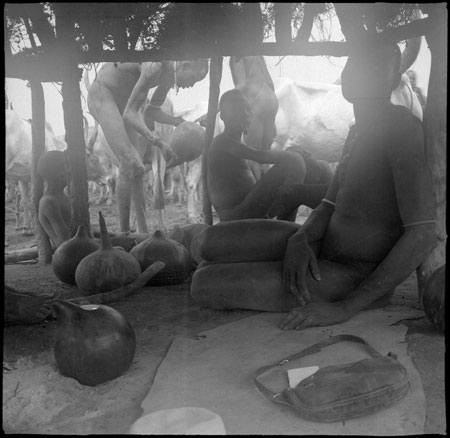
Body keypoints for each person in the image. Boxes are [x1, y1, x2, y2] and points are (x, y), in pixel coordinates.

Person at [193, 38, 437, 330]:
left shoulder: (401, 128)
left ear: (394, 80)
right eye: (353, 62)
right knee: (209, 242)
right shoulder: (357, 130)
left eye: (371, 66)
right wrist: (302, 238)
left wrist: (345, 308)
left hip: (351, 274)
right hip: (319, 246)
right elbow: (328, 205)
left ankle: (338, 289)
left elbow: (423, 233)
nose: (354, 71)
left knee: (204, 283)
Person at [87, 60, 209, 234]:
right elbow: (131, 114)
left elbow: (150, 111)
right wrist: (158, 142)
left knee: (134, 170)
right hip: (103, 95)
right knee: (132, 163)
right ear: (185, 66)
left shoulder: (167, 79)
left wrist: (174, 120)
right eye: (194, 79)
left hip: (123, 105)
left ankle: (140, 233)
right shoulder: (155, 67)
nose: (191, 85)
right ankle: (125, 234)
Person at [207, 89, 308, 222]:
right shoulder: (222, 143)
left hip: (247, 207)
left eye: (248, 110)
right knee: (294, 161)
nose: (246, 115)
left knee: (306, 162)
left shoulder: (236, 143)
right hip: (236, 214)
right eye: (237, 111)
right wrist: (291, 154)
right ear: (223, 116)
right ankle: (285, 222)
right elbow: (261, 157)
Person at [229, 56, 279, 180]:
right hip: (271, 98)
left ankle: (257, 190)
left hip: (257, 100)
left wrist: (223, 105)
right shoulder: (256, 54)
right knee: (265, 155)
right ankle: (267, 189)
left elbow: (242, 85)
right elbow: (270, 82)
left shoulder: (237, 55)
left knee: (253, 154)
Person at [38, 150, 71, 248]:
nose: (70, 171)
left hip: (76, 246)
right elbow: (65, 242)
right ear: (58, 174)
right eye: (67, 168)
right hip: (69, 254)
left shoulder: (63, 197)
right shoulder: (49, 202)